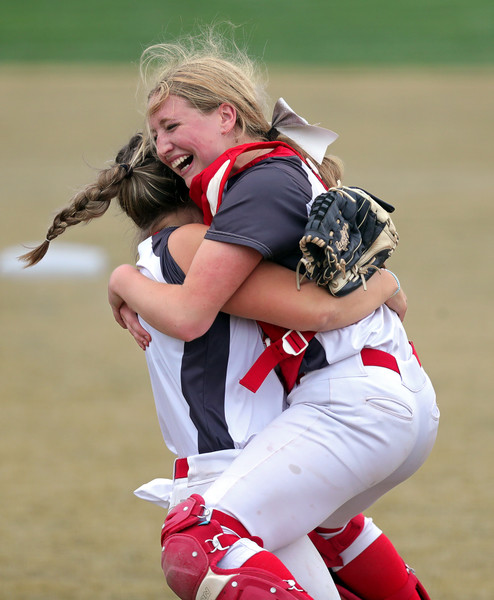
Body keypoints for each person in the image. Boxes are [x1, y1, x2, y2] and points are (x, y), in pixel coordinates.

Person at [107, 30, 439, 600]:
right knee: (325, 530)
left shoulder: (257, 181)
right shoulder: (272, 170)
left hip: (351, 403)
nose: (161, 144)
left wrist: (120, 279)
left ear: (227, 117)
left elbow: (194, 315)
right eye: (155, 134)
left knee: (199, 536)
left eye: (171, 125)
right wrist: (383, 282)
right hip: (384, 395)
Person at [20, 133, 404, 600]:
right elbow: (324, 306)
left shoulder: (147, 265)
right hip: (240, 479)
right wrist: (386, 283)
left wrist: (120, 277)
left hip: (231, 476)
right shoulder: (197, 246)